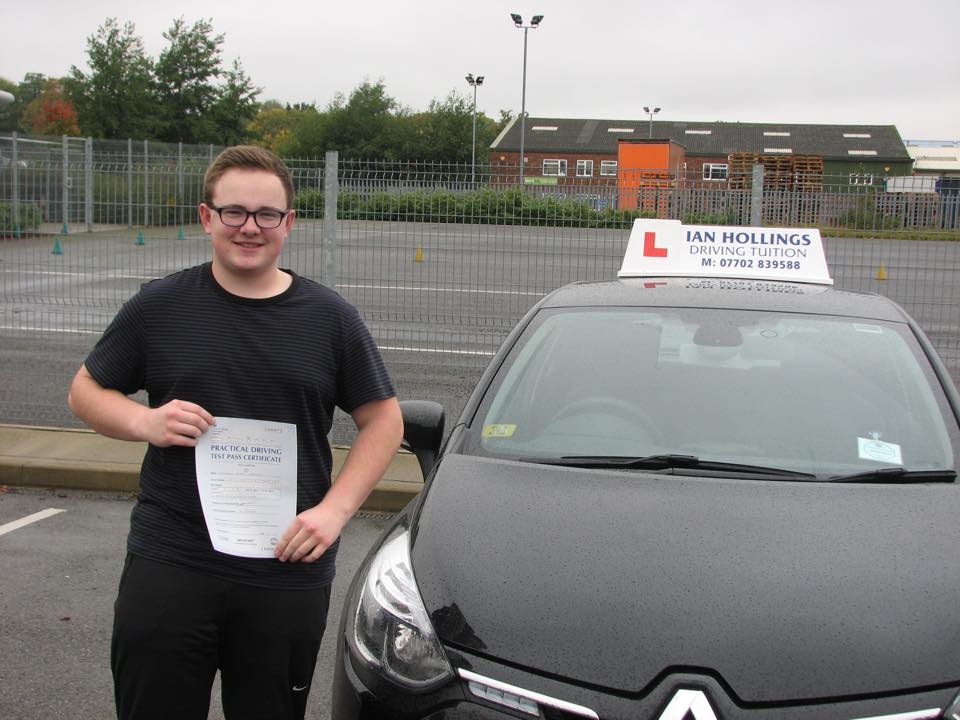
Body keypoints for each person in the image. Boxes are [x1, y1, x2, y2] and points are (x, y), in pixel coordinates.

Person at [67, 145, 403, 720]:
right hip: (172, 561)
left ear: (288, 223)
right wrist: (146, 422)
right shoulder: (160, 306)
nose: (250, 227)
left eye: (266, 214)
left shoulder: (330, 319)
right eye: (234, 212)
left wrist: (334, 511)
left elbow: (383, 420)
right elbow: (85, 391)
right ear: (207, 217)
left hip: (285, 569)